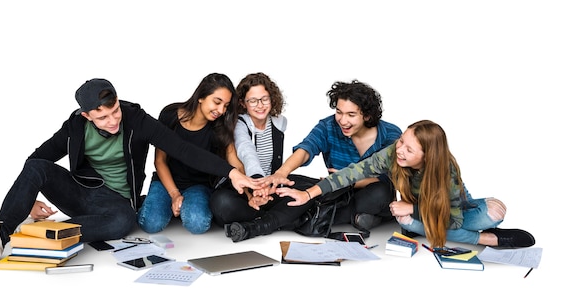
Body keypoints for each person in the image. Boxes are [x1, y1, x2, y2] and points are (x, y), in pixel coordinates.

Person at [0, 78, 261, 264]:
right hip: (81, 192)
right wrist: (27, 199)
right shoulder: (74, 127)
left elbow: (182, 149)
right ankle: (0, 232)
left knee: (122, 221)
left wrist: (231, 172)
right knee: (37, 168)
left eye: (114, 113)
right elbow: (38, 159)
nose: (113, 121)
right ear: (86, 116)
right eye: (103, 118)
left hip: (115, 202)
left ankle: (35, 237)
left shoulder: (135, 118)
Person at [275, 120, 536, 249]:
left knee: (492, 212)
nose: (399, 151)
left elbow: (453, 220)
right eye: (401, 142)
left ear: (427, 156)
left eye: (409, 150)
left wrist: (412, 208)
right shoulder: (393, 153)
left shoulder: (446, 171)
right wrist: (308, 193)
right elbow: (350, 174)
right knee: (405, 222)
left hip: (453, 211)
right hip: (421, 213)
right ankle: (474, 235)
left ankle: (486, 239)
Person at [265, 79, 402, 232]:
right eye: (339, 112)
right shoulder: (328, 126)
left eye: (351, 115)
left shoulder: (390, 134)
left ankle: (307, 217)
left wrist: (347, 181)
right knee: (289, 183)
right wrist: (281, 173)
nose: (343, 121)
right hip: (334, 190)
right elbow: (306, 148)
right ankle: (357, 218)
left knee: (380, 192)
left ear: (368, 116)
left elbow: (389, 176)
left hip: (368, 192)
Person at [209, 72, 312, 242]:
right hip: (245, 190)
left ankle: (261, 222)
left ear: (272, 99)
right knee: (222, 203)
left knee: (312, 187)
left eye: (264, 99)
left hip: (270, 189)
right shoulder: (239, 124)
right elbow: (246, 151)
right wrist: (257, 184)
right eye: (253, 101)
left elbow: (277, 171)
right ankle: (285, 220)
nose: (260, 105)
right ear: (243, 103)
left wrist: (268, 187)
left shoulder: (279, 123)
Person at [137, 73, 244, 234]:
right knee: (150, 224)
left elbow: (233, 160)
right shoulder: (169, 115)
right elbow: (160, 161)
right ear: (201, 96)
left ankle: (182, 207)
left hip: (198, 185)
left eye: (226, 105)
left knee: (197, 224)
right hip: (166, 181)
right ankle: (162, 203)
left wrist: (249, 186)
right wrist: (174, 194)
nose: (221, 110)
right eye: (217, 102)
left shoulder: (220, 127)